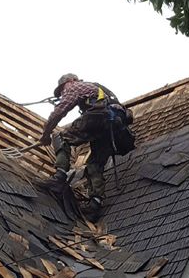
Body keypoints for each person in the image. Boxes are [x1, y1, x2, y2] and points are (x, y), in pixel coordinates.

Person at [38, 73, 131, 222]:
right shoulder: (97, 88)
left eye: (62, 89)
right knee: (95, 163)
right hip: (113, 126)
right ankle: (95, 204)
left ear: (70, 81)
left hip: (98, 117)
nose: (63, 92)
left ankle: (59, 177)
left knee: (61, 137)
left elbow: (60, 111)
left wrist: (46, 133)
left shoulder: (74, 87)